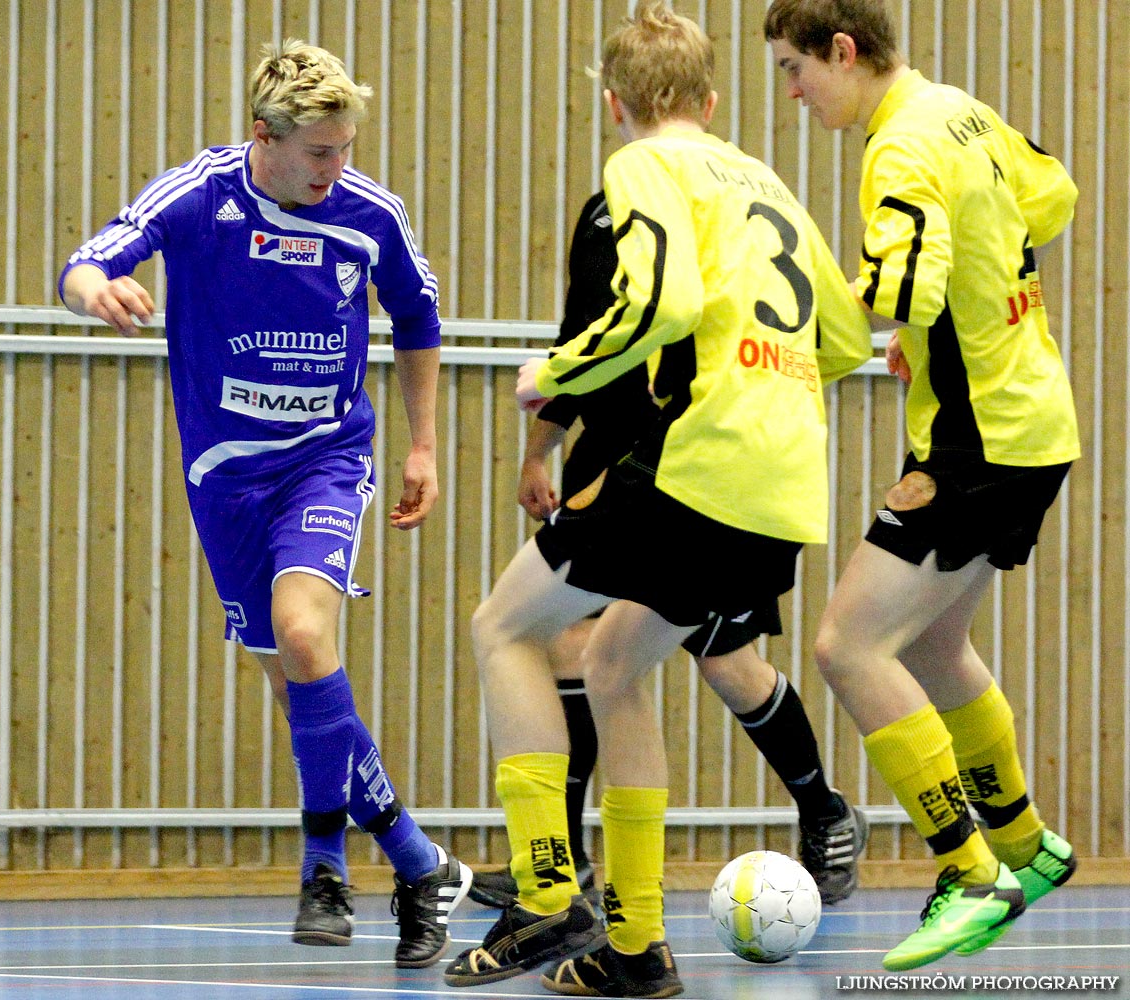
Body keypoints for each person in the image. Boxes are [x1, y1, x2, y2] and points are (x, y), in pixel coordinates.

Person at [444, 4, 871, 995]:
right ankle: (635, 948)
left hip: (693, 461)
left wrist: (554, 370)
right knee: (612, 663)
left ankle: (550, 891)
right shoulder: (763, 180)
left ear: (615, 102)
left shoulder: (642, 167)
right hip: (784, 480)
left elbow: (665, 302)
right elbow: (845, 341)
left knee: (502, 626)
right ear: (714, 100)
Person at [59, 39, 471, 969]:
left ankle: (324, 865)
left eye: (347, 148)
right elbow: (88, 259)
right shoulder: (201, 193)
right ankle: (417, 863)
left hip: (326, 460)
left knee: (305, 633)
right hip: (225, 479)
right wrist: (100, 293)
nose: (339, 168)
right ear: (265, 139)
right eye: (321, 152)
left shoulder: (368, 213)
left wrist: (421, 445)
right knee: (296, 683)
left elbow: (416, 317)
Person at [764, 0, 1080, 971]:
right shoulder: (961, 111)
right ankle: (1027, 844)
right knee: (936, 645)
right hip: (1034, 415)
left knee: (843, 645)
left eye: (794, 68)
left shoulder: (895, 148)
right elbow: (1053, 195)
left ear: (843, 51)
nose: (793, 92)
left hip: (976, 445)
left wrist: (806, 320)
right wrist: (953, 321)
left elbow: (903, 289)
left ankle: (969, 871)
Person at [466, 188, 869, 915]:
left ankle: (821, 810)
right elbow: (579, 337)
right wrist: (538, 454)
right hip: (608, 465)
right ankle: (565, 866)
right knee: (568, 643)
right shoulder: (600, 214)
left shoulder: (714, 209)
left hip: (693, 463)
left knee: (725, 663)